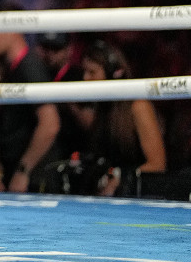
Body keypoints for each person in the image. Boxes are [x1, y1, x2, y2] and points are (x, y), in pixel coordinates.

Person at [70, 39, 166, 196]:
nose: (85, 79)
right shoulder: (104, 108)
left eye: (92, 72)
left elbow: (157, 164)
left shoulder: (138, 106)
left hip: (144, 194)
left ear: (112, 74)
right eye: (84, 72)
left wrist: (120, 178)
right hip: (115, 197)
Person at [0, 25, 63, 192]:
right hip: (23, 172)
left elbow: (50, 123)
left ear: (13, 30)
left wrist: (23, 171)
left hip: (36, 177)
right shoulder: (15, 68)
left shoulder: (29, 66)